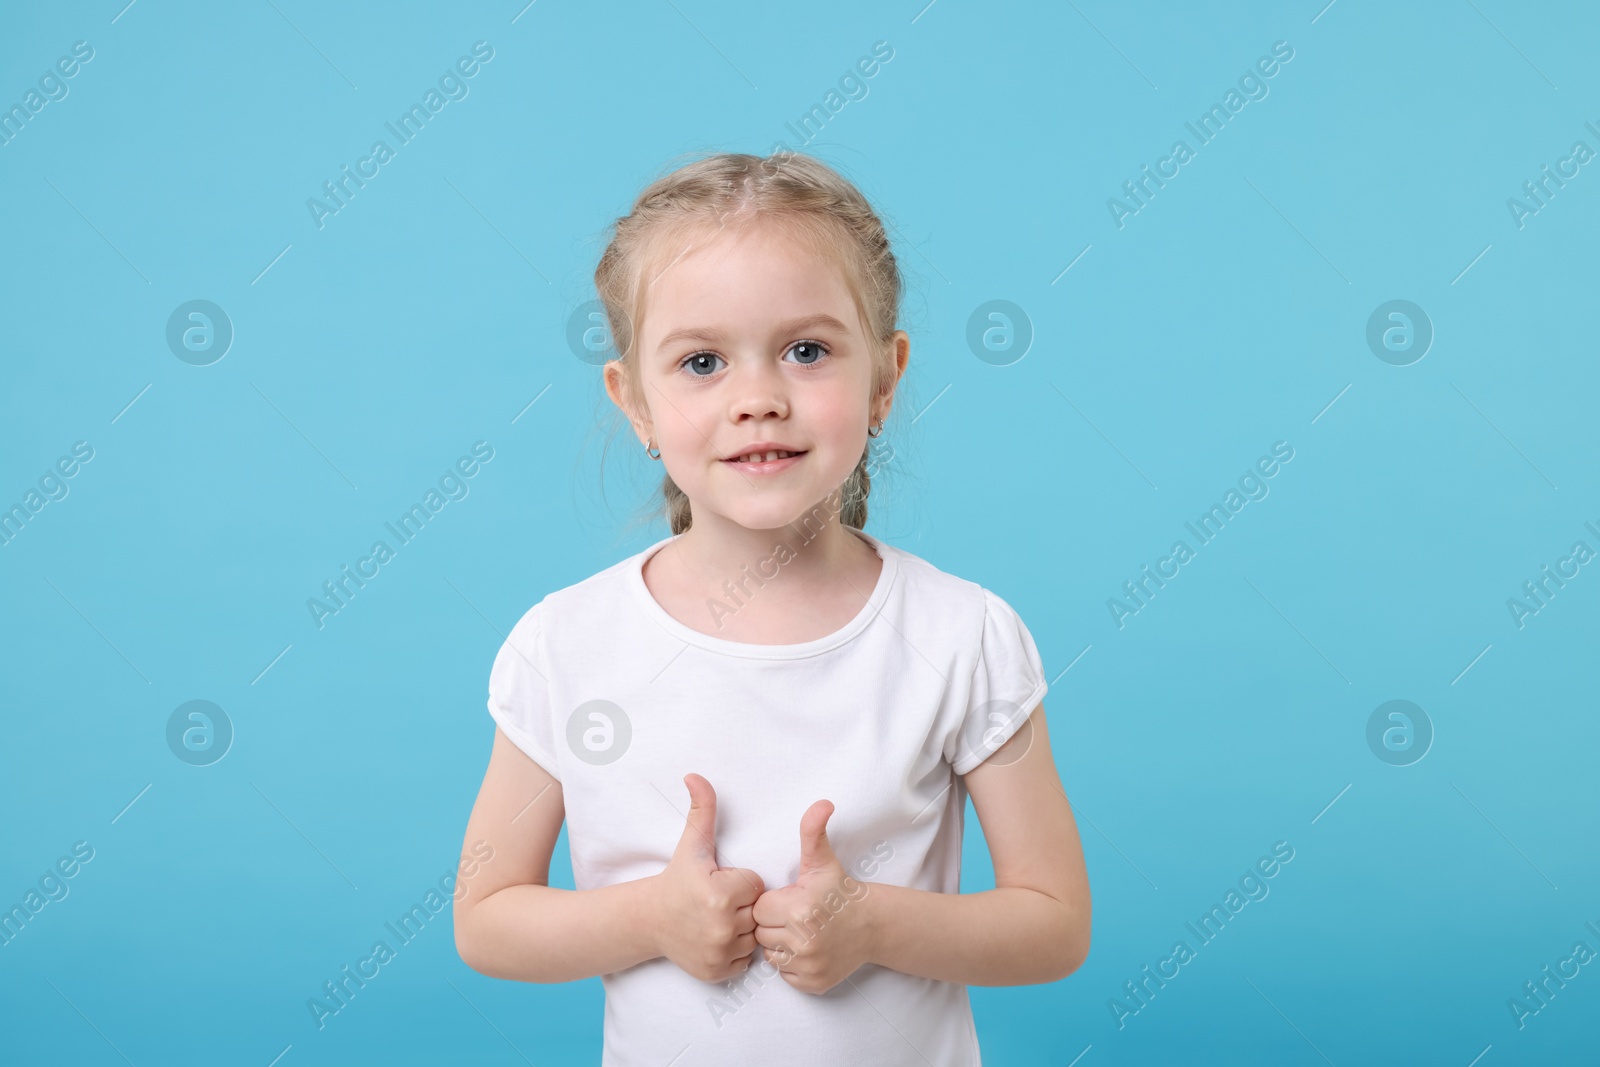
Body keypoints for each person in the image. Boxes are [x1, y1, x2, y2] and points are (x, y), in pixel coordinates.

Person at [454, 150, 1090, 1065]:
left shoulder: (962, 636)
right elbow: (487, 918)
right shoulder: (566, 646)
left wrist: (873, 924)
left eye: (807, 350)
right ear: (632, 399)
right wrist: (652, 918)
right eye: (702, 361)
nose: (758, 399)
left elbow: (1054, 922)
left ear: (884, 379)